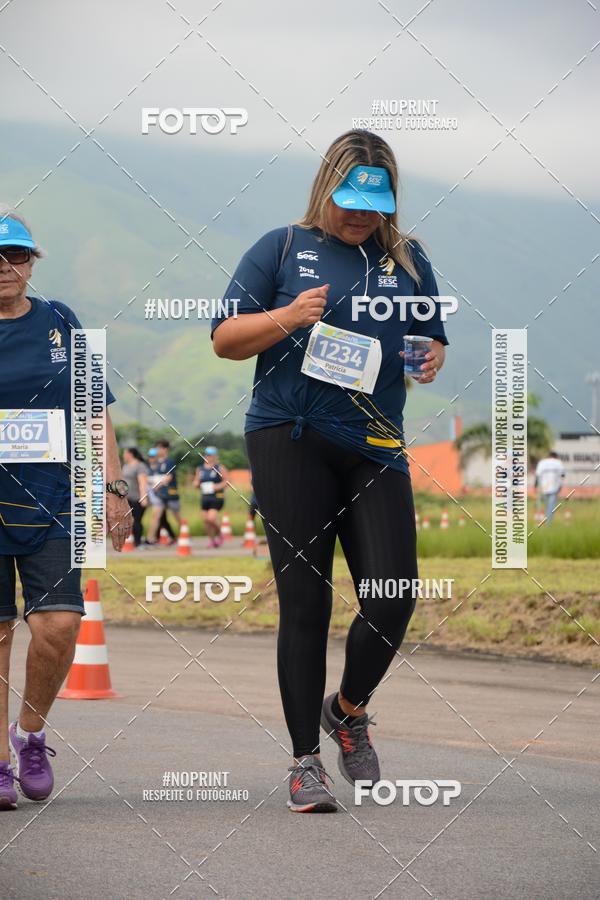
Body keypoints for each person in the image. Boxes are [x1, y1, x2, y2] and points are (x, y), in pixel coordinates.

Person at [211, 130, 448, 813]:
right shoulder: (281, 247)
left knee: (393, 594)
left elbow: (426, 341)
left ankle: (346, 710)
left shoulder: (408, 261)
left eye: (374, 206)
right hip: (291, 438)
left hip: (375, 443)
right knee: (307, 602)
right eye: (350, 203)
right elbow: (226, 339)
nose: (360, 217)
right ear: (327, 190)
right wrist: (286, 316)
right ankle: (303, 762)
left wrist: (430, 357)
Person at [0, 211, 131, 811]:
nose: (7, 266)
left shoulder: (60, 322)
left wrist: (113, 487)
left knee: (58, 626)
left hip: (56, 499)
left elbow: (93, 407)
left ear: (33, 262)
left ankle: (29, 735)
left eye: (18, 255)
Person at [192, 447, 229, 548]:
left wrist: (216, 487)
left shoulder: (219, 468)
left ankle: (220, 533)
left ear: (216, 456)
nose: (209, 457)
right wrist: (195, 484)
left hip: (217, 497)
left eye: (211, 455)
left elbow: (226, 481)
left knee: (211, 518)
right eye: (207, 455)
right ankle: (212, 541)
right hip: (205, 497)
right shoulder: (200, 469)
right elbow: (196, 481)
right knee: (206, 521)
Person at [146, 440, 180, 543]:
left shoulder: (169, 462)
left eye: (159, 448)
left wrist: (159, 484)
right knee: (155, 516)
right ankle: (149, 539)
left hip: (170, 494)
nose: (157, 450)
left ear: (165, 449)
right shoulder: (154, 463)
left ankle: (185, 534)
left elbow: (169, 477)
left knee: (177, 516)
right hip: (159, 495)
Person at [122, 447, 149, 546]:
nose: (123, 455)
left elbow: (143, 483)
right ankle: (132, 540)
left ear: (130, 454)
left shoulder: (139, 466)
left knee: (137, 520)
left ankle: (138, 542)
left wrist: (143, 497)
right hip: (127, 498)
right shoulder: (125, 466)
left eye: (125, 453)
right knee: (128, 520)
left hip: (137, 497)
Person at [535, 451, 565, 525]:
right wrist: (561, 485)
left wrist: (535, 485)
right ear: (556, 456)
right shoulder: (558, 462)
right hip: (554, 487)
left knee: (547, 505)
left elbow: (537, 475)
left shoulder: (542, 462)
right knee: (551, 506)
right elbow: (563, 475)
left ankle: (547, 521)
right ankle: (549, 523)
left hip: (544, 487)